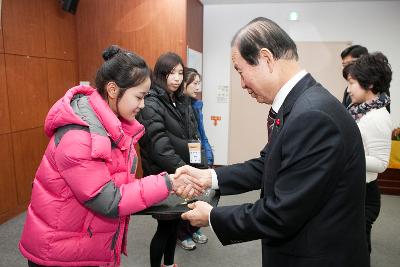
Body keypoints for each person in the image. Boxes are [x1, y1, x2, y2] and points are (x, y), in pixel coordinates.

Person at [178, 17, 369, 267]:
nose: (242, 83)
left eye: (240, 70)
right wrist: (209, 177)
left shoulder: (312, 115)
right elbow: (267, 163)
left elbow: (282, 213)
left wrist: (213, 216)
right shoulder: (302, 103)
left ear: (266, 59)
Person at [18, 45, 200, 267]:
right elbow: (109, 200)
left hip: (86, 245)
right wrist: (167, 182)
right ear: (113, 90)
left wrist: (167, 185)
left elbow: (120, 185)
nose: (143, 105)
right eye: (139, 97)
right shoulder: (80, 134)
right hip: (58, 255)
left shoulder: (113, 128)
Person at [136, 53, 207, 267]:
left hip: (181, 175)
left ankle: (169, 264)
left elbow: (191, 138)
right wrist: (186, 172)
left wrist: (198, 166)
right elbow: (159, 147)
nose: (176, 78)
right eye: (171, 73)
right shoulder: (151, 103)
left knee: (175, 224)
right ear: (160, 74)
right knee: (165, 228)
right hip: (164, 177)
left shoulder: (179, 100)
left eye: (179, 73)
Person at [343, 52, 392, 257]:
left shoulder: (377, 118)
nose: (347, 89)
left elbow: (381, 163)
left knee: (357, 252)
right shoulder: (358, 110)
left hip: (364, 196)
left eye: (352, 83)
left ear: (370, 84)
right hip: (352, 191)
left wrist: (342, 156)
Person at [177, 68, 213, 250]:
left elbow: (201, 133)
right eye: (195, 83)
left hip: (197, 153)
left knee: (200, 194)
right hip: (186, 157)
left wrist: (207, 152)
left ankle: (193, 229)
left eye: (199, 83)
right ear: (185, 85)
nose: (198, 87)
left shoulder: (196, 105)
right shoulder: (179, 106)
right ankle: (183, 233)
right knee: (187, 197)